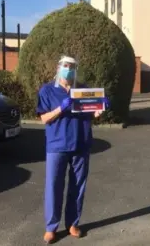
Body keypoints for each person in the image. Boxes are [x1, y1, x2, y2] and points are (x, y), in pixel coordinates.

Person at [36, 56, 109, 243]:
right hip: (57, 145)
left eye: (72, 67)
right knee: (54, 186)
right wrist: (60, 108)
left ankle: (72, 224)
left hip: (81, 144)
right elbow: (44, 118)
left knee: (78, 186)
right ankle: (51, 227)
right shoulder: (48, 90)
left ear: (76, 70)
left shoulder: (83, 91)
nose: (69, 69)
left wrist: (99, 110)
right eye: (65, 66)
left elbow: (92, 114)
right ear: (59, 67)